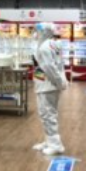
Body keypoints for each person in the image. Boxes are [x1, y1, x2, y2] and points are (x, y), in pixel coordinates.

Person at [31, 23, 68, 155]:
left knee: (48, 114)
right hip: (44, 84)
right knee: (45, 114)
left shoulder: (44, 47)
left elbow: (49, 67)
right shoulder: (52, 44)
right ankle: (49, 140)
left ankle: (56, 145)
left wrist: (59, 82)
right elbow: (54, 65)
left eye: (37, 31)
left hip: (48, 85)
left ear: (44, 32)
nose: (34, 34)